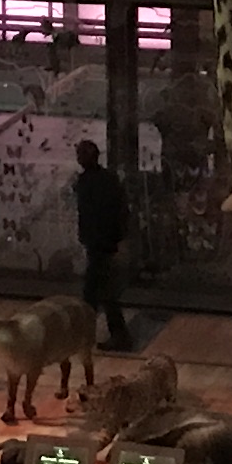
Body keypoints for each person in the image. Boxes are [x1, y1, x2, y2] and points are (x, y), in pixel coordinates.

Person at [71, 139, 134, 350]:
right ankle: (93, 334)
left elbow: (89, 216)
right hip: (106, 242)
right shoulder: (108, 179)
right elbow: (121, 210)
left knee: (100, 292)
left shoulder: (87, 183)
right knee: (97, 292)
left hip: (99, 243)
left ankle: (115, 335)